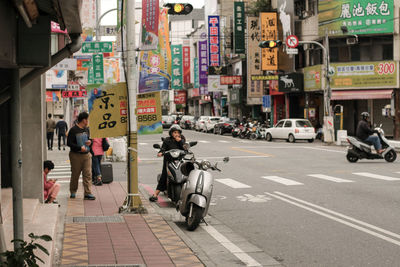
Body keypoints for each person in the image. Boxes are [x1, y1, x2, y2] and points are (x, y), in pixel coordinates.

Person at [149, 124, 186, 202]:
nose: (176, 134)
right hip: (168, 161)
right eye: (174, 132)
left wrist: (180, 142)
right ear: (171, 133)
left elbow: (185, 148)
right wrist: (160, 152)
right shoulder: (167, 140)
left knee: (186, 173)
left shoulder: (182, 139)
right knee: (164, 175)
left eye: (178, 132)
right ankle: (155, 194)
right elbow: (163, 149)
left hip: (179, 160)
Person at [67, 112, 96, 200]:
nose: (88, 121)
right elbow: (69, 143)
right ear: (84, 120)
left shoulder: (87, 129)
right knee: (75, 174)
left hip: (86, 155)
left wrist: (89, 143)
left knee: (88, 174)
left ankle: (87, 193)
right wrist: (79, 147)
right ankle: (73, 191)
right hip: (76, 155)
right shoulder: (73, 130)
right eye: (87, 119)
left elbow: (90, 140)